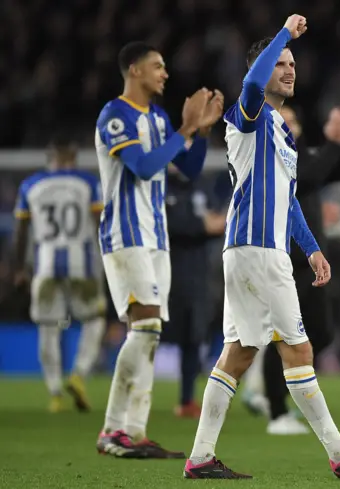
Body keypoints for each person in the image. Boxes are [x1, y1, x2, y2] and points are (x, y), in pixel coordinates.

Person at [184, 15, 340, 480]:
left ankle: (200, 456)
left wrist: (314, 249)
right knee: (298, 350)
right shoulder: (249, 112)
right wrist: (282, 32)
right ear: (262, 68)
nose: (289, 69)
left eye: (292, 63)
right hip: (258, 250)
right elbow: (252, 80)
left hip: (254, 249)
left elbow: (291, 202)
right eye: (280, 63)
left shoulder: (282, 133)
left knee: (238, 354)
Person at [94, 41, 223, 459]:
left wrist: (200, 132)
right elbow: (144, 166)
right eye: (157, 66)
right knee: (146, 328)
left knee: (148, 334)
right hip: (125, 234)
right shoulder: (116, 115)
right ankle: (113, 429)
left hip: (156, 237)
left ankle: (134, 431)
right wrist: (185, 130)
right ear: (134, 70)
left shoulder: (159, 118)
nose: (165, 73)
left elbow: (187, 168)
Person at [241, 102, 340, 435]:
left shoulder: (303, 154)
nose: (288, 125)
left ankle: (269, 391)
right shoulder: (278, 157)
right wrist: (334, 143)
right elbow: (311, 176)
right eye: (283, 120)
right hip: (284, 259)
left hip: (308, 259)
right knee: (288, 337)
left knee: (320, 333)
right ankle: (276, 410)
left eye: (293, 119)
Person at [12, 134, 107, 413]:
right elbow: (98, 222)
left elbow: (20, 232)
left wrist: (18, 267)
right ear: (74, 157)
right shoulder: (88, 182)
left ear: (49, 159)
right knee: (94, 318)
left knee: (48, 327)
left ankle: (55, 393)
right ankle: (79, 373)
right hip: (83, 263)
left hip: (45, 264)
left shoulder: (31, 185)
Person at [164, 163, 227, 419]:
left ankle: (187, 399)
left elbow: (217, 222)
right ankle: (134, 400)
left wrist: (201, 226)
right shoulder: (159, 186)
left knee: (194, 337)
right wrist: (200, 226)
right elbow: (169, 226)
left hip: (198, 274)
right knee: (147, 335)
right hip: (166, 273)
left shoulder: (201, 185)